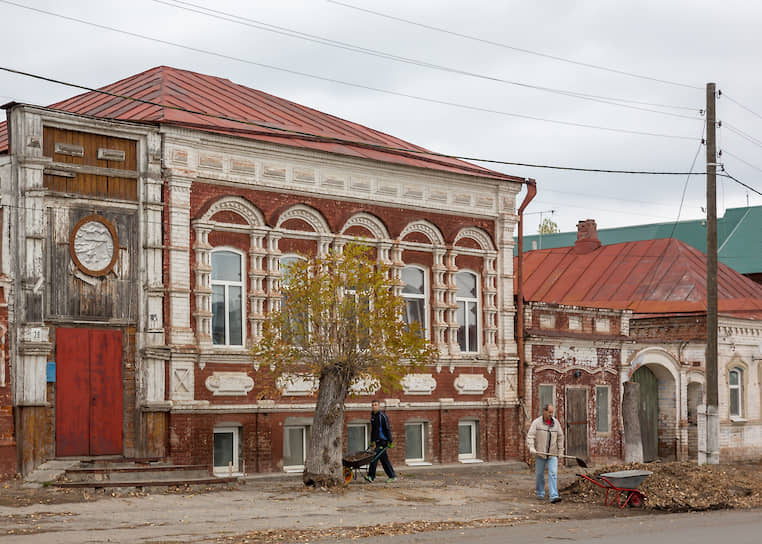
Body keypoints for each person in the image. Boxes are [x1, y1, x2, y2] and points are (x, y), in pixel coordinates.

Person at [526, 403, 564, 503]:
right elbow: (530, 436)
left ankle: (554, 496)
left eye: (552, 412)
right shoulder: (537, 423)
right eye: (549, 412)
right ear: (544, 411)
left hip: (552, 454)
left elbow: (560, 437)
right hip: (540, 454)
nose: (551, 414)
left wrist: (560, 450)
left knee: (553, 473)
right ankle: (540, 493)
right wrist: (531, 447)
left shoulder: (556, 423)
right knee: (539, 474)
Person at [365, 399, 396, 483]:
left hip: (383, 441)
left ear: (379, 406)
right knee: (384, 460)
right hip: (377, 441)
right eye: (373, 405)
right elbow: (373, 430)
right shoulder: (373, 417)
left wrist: (390, 441)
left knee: (373, 457)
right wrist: (372, 441)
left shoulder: (382, 416)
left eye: (375, 405)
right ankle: (392, 475)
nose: (374, 406)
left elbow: (387, 428)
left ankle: (371, 476)